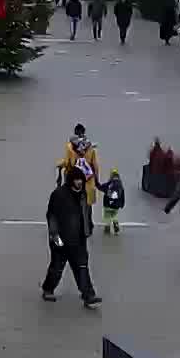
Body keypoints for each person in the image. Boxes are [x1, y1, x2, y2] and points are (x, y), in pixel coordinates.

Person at [43, 169, 101, 308]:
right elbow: (51, 216)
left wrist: (88, 230)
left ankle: (88, 295)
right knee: (56, 268)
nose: (79, 182)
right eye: (76, 180)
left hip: (79, 240)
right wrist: (55, 237)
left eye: (81, 179)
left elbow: (86, 214)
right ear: (71, 180)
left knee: (82, 268)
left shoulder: (83, 194)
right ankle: (48, 289)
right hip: (61, 240)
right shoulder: (59, 195)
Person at [56, 124, 100, 236]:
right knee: (87, 206)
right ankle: (88, 228)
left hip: (73, 182)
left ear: (75, 132)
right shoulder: (90, 147)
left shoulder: (70, 147)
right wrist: (97, 181)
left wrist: (59, 165)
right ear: (84, 132)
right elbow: (95, 166)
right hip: (87, 182)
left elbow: (67, 162)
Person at [99, 168, 126, 234]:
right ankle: (116, 224)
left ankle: (107, 228)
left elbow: (101, 187)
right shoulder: (120, 186)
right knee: (114, 215)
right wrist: (122, 204)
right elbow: (122, 196)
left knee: (107, 216)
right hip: (116, 205)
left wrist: (96, 183)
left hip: (107, 204)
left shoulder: (108, 184)